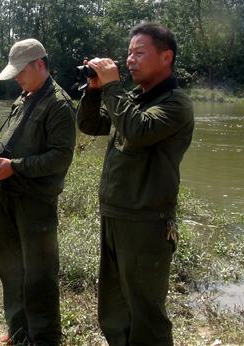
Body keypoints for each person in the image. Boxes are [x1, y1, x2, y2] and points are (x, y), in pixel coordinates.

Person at [76, 23, 194, 346]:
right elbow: (89, 124)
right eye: (129, 53)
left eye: (139, 52)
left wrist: (112, 88)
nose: (130, 60)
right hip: (115, 217)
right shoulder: (131, 100)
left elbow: (139, 131)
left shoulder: (176, 104)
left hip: (146, 224)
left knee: (146, 316)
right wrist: (94, 88)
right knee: (113, 310)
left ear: (166, 57)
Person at [0, 38, 77, 346]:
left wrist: (16, 166)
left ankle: (44, 339)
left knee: (39, 275)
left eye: (20, 71)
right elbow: (14, 140)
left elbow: (61, 156)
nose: (16, 78)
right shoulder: (25, 96)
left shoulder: (59, 104)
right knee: (11, 269)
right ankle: (19, 331)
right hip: (10, 195)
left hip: (36, 202)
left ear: (40, 65)